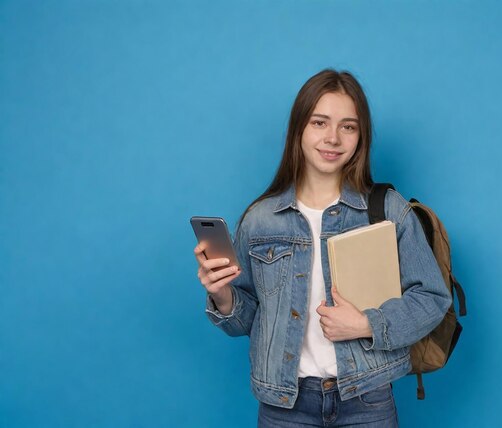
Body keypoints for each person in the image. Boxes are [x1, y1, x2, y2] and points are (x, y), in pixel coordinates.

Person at [193, 69, 451, 427]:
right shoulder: (260, 219)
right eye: (319, 122)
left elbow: (433, 298)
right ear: (299, 128)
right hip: (285, 405)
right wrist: (222, 295)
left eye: (348, 126)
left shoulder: (387, 209)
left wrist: (366, 323)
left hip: (367, 398)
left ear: (361, 137)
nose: (333, 138)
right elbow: (249, 320)